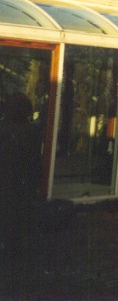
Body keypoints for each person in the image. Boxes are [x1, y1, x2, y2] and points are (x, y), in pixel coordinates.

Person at [0, 93, 41, 295]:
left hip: (6, 186)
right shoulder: (32, 132)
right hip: (21, 189)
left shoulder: (4, 130)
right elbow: (34, 164)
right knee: (16, 229)